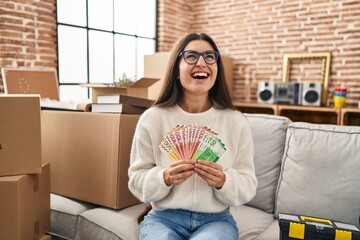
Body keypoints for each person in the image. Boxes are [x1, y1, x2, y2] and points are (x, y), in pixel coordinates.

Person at [128, 33, 257, 240]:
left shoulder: (237, 122)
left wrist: (224, 181)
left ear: (216, 70)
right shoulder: (152, 119)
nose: (201, 62)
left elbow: (248, 186)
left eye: (209, 56)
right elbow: (136, 180)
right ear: (176, 70)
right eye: (191, 56)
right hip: (162, 218)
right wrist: (165, 178)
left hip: (217, 221)